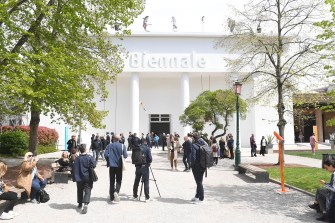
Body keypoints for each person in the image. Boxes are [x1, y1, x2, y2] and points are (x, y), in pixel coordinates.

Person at [72, 144, 96, 214]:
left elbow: (73, 168)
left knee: (79, 190)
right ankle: (85, 204)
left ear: (79, 150)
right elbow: (94, 165)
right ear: (85, 149)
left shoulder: (76, 158)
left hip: (79, 177)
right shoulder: (89, 157)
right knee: (87, 190)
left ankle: (80, 203)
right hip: (87, 177)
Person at [104, 135, 128, 203]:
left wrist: (109, 160)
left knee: (112, 181)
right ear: (119, 139)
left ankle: (111, 197)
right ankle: (116, 191)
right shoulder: (123, 146)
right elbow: (125, 155)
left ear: (113, 139)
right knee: (119, 180)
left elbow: (105, 154)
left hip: (112, 165)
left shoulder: (109, 145)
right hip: (119, 165)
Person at [190, 132, 206, 204]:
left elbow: (193, 157)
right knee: (199, 181)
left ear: (194, 138)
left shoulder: (194, 145)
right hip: (203, 165)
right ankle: (197, 196)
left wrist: (191, 165)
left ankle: (201, 199)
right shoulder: (204, 144)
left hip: (196, 166)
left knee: (199, 182)